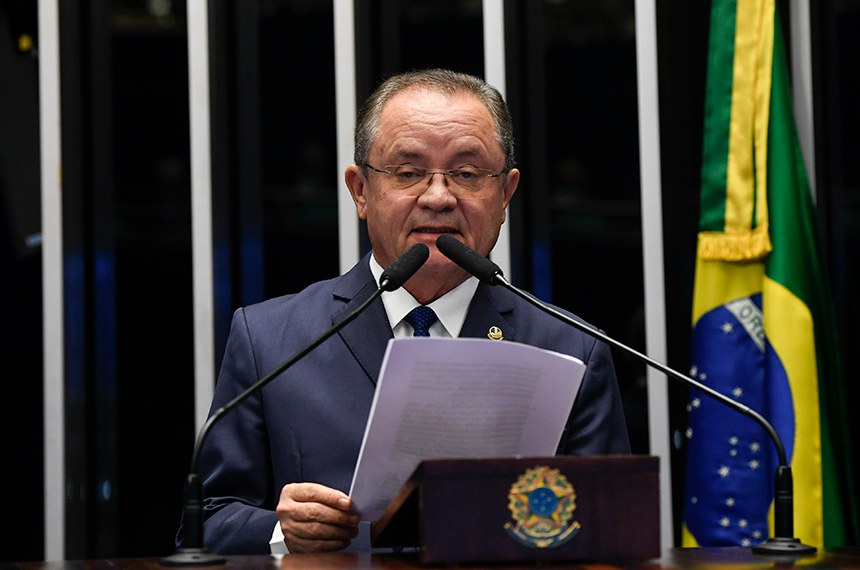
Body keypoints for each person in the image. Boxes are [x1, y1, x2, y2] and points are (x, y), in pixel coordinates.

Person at [191, 68, 630, 555]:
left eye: (466, 174)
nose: (438, 197)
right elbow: (208, 523)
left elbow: (610, 528)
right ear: (360, 190)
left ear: (505, 194)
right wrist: (282, 532)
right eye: (408, 173)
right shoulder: (271, 339)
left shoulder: (571, 348)